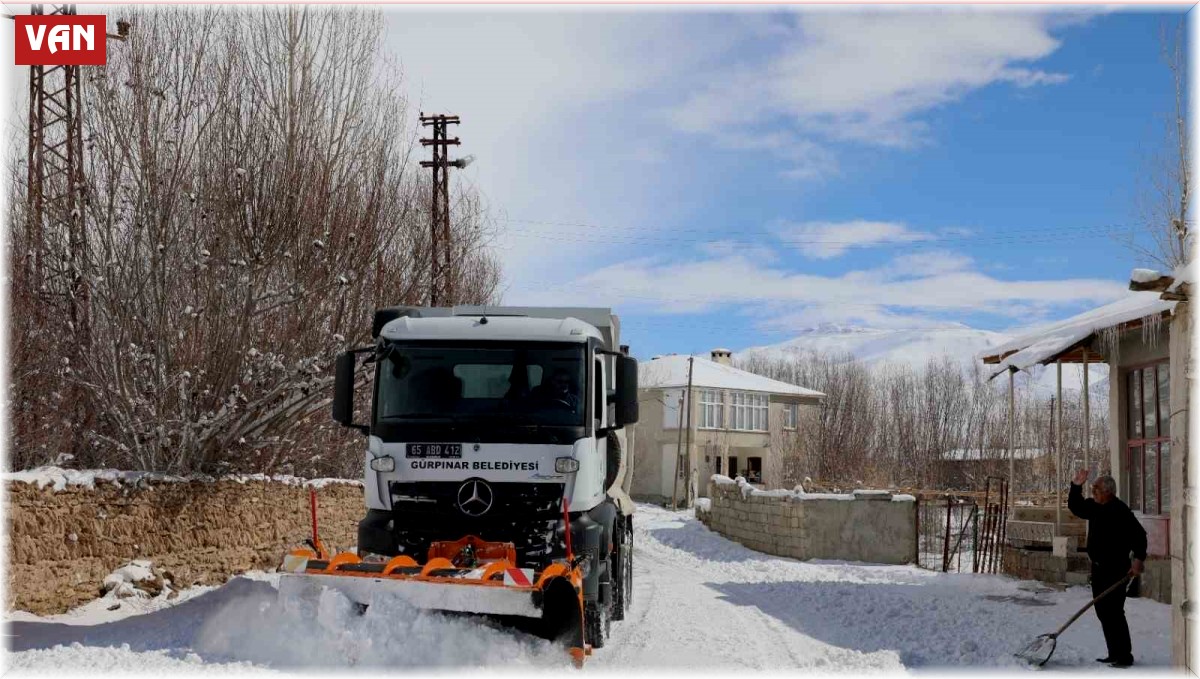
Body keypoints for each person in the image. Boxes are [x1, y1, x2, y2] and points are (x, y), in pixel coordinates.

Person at [1067, 469, 1147, 668]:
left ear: (1108, 491)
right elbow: (1075, 507)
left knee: (1114, 612)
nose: (1093, 492)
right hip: (1098, 569)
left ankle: (1124, 656)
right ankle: (1114, 653)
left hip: (1116, 570)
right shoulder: (1095, 506)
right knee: (1103, 611)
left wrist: (1138, 560)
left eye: (1096, 489)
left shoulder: (1120, 511)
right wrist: (1076, 486)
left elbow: (1139, 536)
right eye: (1093, 488)